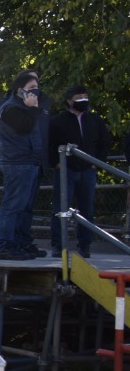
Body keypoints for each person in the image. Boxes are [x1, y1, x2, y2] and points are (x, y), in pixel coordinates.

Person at [48, 85, 112, 259]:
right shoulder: (58, 120)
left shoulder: (95, 120)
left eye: (85, 95)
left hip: (88, 170)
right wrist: (56, 163)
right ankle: (58, 245)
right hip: (66, 170)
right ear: (69, 100)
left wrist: (97, 163)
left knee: (87, 209)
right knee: (60, 208)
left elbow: (104, 143)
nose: (83, 99)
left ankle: (85, 245)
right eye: (79, 96)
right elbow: (49, 144)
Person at [0, 70, 50, 260]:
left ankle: (22, 243)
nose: (36, 91)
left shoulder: (24, 108)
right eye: (32, 88)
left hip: (30, 162)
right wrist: (33, 108)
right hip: (17, 163)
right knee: (13, 206)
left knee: (26, 208)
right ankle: (6, 246)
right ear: (20, 90)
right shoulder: (10, 109)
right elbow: (24, 127)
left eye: (37, 87)